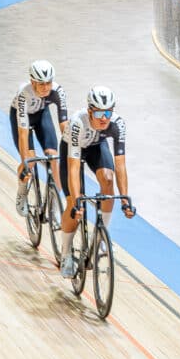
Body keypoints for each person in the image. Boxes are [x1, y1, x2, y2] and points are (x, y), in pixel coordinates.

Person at [58, 86, 136, 278]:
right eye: (99, 113)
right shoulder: (78, 123)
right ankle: (65, 253)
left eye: (108, 112)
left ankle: (102, 234)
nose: (104, 118)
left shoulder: (117, 124)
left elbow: (120, 165)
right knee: (73, 204)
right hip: (73, 150)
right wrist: (77, 200)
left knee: (108, 180)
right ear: (90, 111)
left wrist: (125, 199)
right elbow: (74, 168)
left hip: (96, 146)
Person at [10, 61, 69, 216]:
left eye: (48, 83)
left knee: (53, 157)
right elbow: (23, 133)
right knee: (30, 161)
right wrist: (25, 163)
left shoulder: (57, 91)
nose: (45, 87)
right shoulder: (23, 94)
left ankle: (55, 203)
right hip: (21, 118)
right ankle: (22, 192)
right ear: (32, 82)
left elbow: (64, 125)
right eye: (41, 83)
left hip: (42, 114)